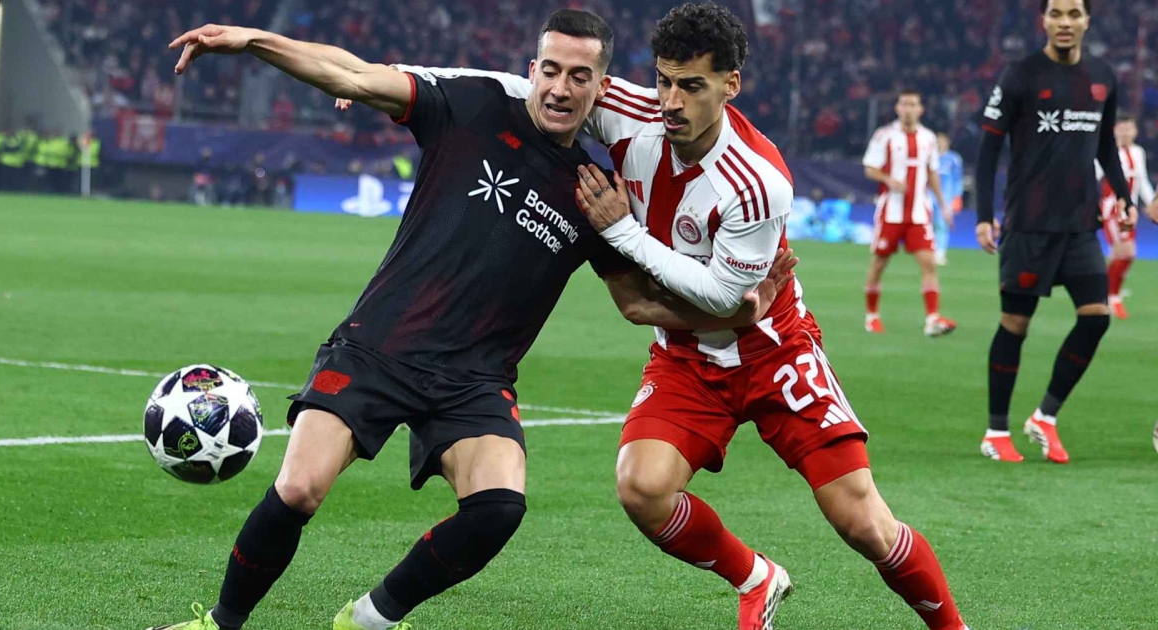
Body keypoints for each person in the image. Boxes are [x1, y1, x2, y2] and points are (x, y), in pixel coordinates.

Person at [151, 10, 795, 630]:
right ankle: (220, 623)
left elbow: (637, 305)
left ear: (601, 90)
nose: (561, 88)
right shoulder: (472, 105)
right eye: (551, 70)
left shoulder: (595, 189)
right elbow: (352, 73)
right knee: (299, 489)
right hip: (379, 346)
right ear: (532, 70)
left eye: (579, 77)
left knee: (497, 508)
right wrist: (253, 40)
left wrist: (734, 310)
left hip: (474, 380)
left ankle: (370, 619)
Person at [400, 4, 970, 629]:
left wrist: (624, 232)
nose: (671, 101)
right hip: (687, 354)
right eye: (664, 81)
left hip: (774, 350)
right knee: (641, 488)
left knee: (862, 522)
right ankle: (756, 577)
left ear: (730, 85)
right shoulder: (632, 112)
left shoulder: (758, 181)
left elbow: (725, 299)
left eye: (691, 86)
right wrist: (402, 82)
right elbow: (527, 86)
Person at [975, 0, 1143, 464]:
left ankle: (1045, 416)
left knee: (1097, 317)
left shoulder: (1103, 77)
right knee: (1016, 324)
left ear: (1087, 20)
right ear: (1044, 21)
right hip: (1029, 225)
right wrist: (984, 215)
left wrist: (1124, 196)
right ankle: (995, 430)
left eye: (1073, 14)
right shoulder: (1020, 75)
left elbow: (1105, 145)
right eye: (1056, 13)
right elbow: (988, 150)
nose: (1064, 22)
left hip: (1080, 225)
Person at [861, 89, 957, 336]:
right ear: (897, 108)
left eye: (913, 104)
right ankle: (872, 316)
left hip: (918, 214)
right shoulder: (884, 135)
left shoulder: (928, 138)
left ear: (920, 109)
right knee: (879, 264)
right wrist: (888, 180)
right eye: (904, 104)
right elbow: (869, 168)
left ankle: (932, 319)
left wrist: (943, 206)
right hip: (890, 213)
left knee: (929, 264)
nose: (908, 109)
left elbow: (932, 173)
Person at [1094, 114, 1156, 319]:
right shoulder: (1107, 152)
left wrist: (1151, 202)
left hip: (1130, 210)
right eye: (1122, 128)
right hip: (1112, 209)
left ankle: (1105, 293)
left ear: (1135, 131)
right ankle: (1112, 296)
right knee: (1127, 251)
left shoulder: (1138, 152)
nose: (1126, 132)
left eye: (1129, 128)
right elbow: (1092, 176)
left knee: (1120, 254)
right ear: (1114, 130)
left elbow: (1142, 180)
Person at [933, 132, 965, 266]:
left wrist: (957, 196)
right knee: (927, 224)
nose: (939, 143)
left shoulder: (954, 159)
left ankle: (940, 253)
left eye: (942, 141)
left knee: (942, 224)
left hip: (946, 197)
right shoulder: (930, 157)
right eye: (937, 141)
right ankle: (928, 251)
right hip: (928, 195)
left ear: (947, 142)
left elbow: (958, 178)